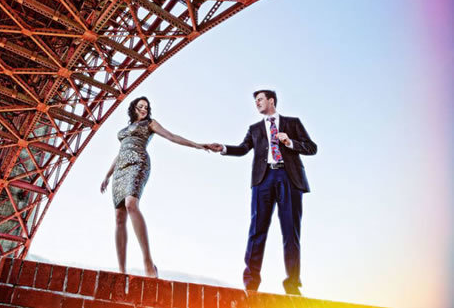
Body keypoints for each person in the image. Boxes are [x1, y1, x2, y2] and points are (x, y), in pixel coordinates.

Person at [205, 90, 317, 295]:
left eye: (260, 99)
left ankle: (293, 286)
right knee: (257, 230)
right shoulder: (254, 129)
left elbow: (312, 148)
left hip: (289, 179)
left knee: (291, 233)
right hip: (263, 181)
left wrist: (289, 142)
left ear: (271, 101)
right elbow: (242, 148)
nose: (256, 103)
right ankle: (251, 283)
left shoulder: (293, 123)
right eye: (255, 101)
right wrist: (222, 148)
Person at [100, 96, 205, 278]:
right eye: (140, 106)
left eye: (146, 107)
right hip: (120, 169)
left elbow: (171, 136)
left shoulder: (150, 124)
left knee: (131, 204)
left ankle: (148, 261)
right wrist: (107, 175)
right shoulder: (125, 130)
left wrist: (198, 145)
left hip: (138, 163)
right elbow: (120, 153)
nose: (144, 109)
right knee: (119, 217)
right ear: (133, 108)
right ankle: (121, 271)